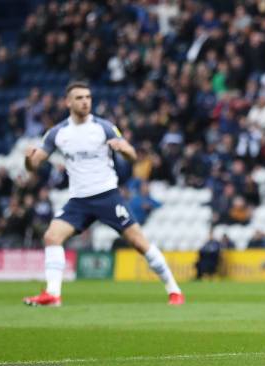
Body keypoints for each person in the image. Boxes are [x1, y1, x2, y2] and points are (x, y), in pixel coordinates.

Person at [22, 81, 184, 306]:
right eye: (79, 98)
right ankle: (53, 294)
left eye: (88, 97)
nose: (85, 101)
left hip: (107, 196)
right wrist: (28, 160)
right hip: (78, 200)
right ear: (68, 102)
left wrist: (125, 150)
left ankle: (174, 290)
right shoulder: (57, 133)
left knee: (139, 242)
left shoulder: (104, 127)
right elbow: (34, 165)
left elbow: (133, 156)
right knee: (52, 236)